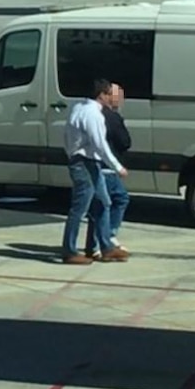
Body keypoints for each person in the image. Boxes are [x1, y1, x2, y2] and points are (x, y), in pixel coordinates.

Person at [61, 79, 129, 264]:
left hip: (86, 161)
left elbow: (67, 135)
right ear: (101, 95)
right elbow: (100, 145)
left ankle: (106, 247)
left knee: (103, 203)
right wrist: (118, 167)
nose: (112, 98)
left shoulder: (78, 108)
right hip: (84, 163)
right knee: (80, 208)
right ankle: (69, 251)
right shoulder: (93, 115)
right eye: (109, 94)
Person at [84, 83, 132, 259]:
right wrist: (118, 166)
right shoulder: (111, 117)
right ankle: (105, 239)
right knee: (114, 201)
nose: (122, 99)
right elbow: (125, 142)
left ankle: (98, 242)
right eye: (119, 95)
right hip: (107, 167)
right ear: (108, 96)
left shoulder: (95, 114)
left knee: (101, 204)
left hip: (100, 165)